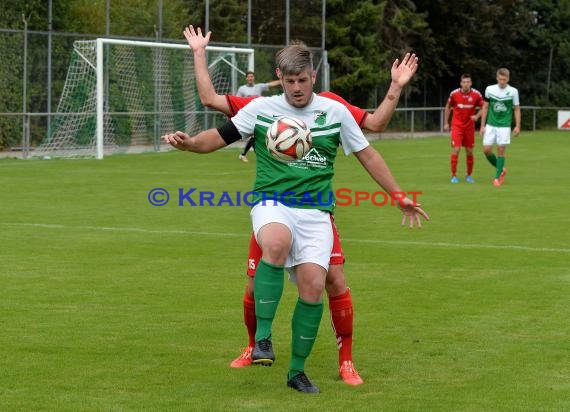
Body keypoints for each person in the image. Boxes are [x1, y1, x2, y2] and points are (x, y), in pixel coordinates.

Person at [163, 40, 429, 394]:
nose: (297, 88)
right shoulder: (261, 107)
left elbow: (368, 154)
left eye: (303, 80)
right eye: (290, 81)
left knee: (316, 287)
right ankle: (261, 340)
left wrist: (398, 196)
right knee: (275, 242)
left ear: (313, 76)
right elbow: (217, 136)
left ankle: (297, 372)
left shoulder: (333, 111)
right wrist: (190, 144)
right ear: (280, 78)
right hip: (273, 202)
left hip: (316, 212)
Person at [479, 68, 521, 186]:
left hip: (504, 126)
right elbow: (485, 107)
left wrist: (517, 126)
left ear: (508, 79)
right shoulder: (490, 89)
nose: (502, 81)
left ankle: (497, 178)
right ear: (497, 78)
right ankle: (501, 169)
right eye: (500, 79)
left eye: (504, 79)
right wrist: (482, 125)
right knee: (486, 150)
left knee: (501, 150)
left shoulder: (513, 91)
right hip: (491, 124)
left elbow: (517, 109)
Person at [443, 74, 484, 184]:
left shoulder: (476, 94)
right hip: (457, 126)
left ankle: (469, 175)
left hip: (469, 127)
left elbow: (484, 106)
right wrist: (446, 122)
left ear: (471, 83)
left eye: (468, 82)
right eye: (464, 82)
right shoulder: (454, 94)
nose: (466, 84)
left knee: (469, 151)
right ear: (461, 83)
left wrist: (477, 116)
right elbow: (447, 107)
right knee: (456, 149)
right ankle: (453, 175)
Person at [236, 72, 281, 162]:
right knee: (254, 135)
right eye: (248, 77)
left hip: (259, 115)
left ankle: (244, 154)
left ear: (254, 78)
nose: (250, 78)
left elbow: (270, 84)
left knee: (256, 136)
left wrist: (281, 81)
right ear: (246, 79)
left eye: (252, 77)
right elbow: (237, 100)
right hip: (248, 115)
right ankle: (259, 156)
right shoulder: (242, 89)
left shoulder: (259, 87)